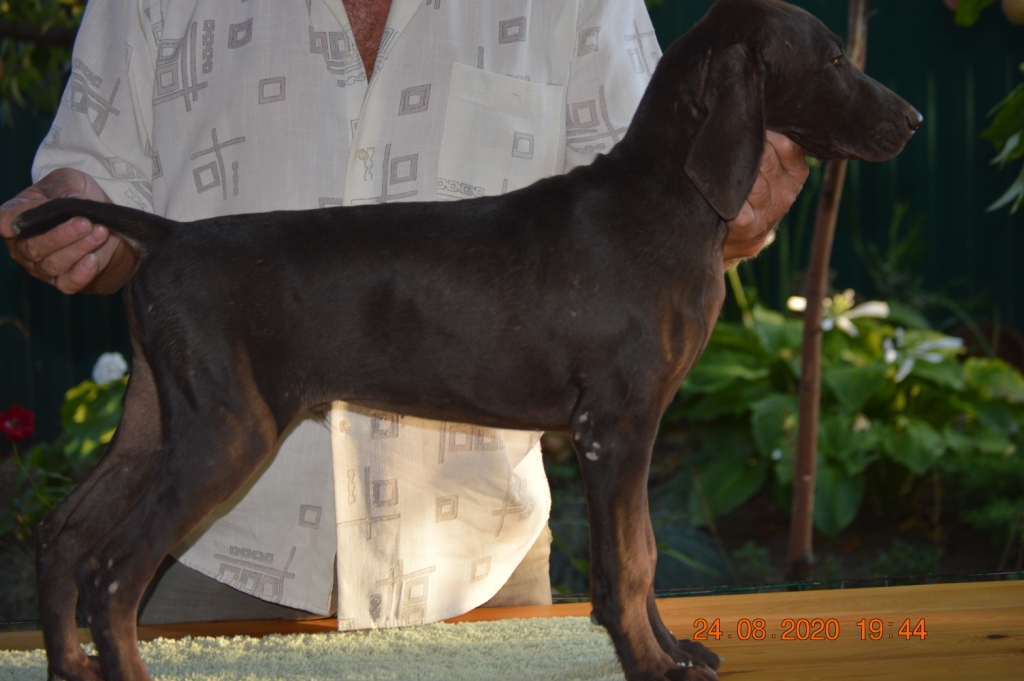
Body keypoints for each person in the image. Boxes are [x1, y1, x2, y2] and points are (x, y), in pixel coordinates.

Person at [0, 0, 807, 629]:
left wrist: (728, 209)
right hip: (212, 565)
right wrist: (78, 222)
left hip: (480, 573)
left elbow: (657, 202)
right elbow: (100, 191)